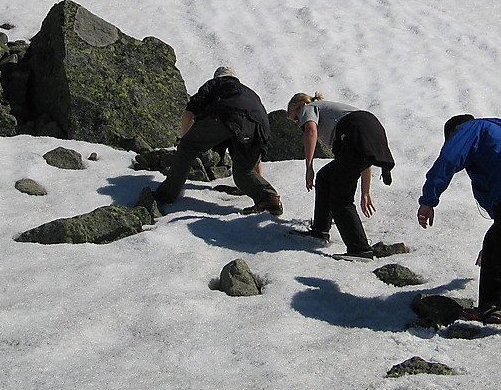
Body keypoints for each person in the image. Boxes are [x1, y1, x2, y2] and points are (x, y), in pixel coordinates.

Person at [417, 114, 501, 335]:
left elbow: (448, 159)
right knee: (496, 243)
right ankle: (492, 307)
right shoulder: (493, 135)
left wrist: (428, 201)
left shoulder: (469, 128)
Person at [152, 67, 282, 216]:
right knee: (243, 173)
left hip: (229, 115)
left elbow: (189, 112)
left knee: (187, 147)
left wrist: (184, 139)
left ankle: (167, 194)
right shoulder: (248, 92)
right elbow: (255, 159)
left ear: (218, 77)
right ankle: (269, 197)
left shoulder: (216, 84)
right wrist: (255, 176)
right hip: (260, 128)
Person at [286, 92, 394, 259]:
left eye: (295, 118)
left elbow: (310, 130)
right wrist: (365, 192)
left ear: (300, 106)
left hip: (355, 132)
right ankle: (320, 230)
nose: (297, 123)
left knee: (341, 197)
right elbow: (364, 157)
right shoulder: (333, 112)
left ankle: (359, 249)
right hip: (371, 129)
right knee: (326, 177)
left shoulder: (308, 108)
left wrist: (309, 166)